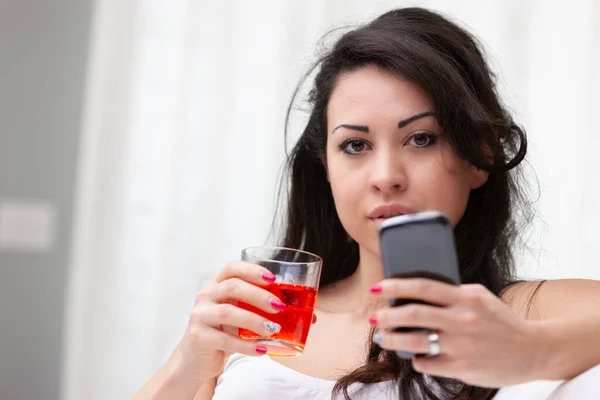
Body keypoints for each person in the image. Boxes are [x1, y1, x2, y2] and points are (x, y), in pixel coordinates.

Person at [133, 7, 600, 400]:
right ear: (325, 168)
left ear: (478, 157)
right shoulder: (261, 322)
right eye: (355, 146)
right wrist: (187, 362)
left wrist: (530, 350)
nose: (386, 178)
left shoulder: (512, 314)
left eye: (421, 138)